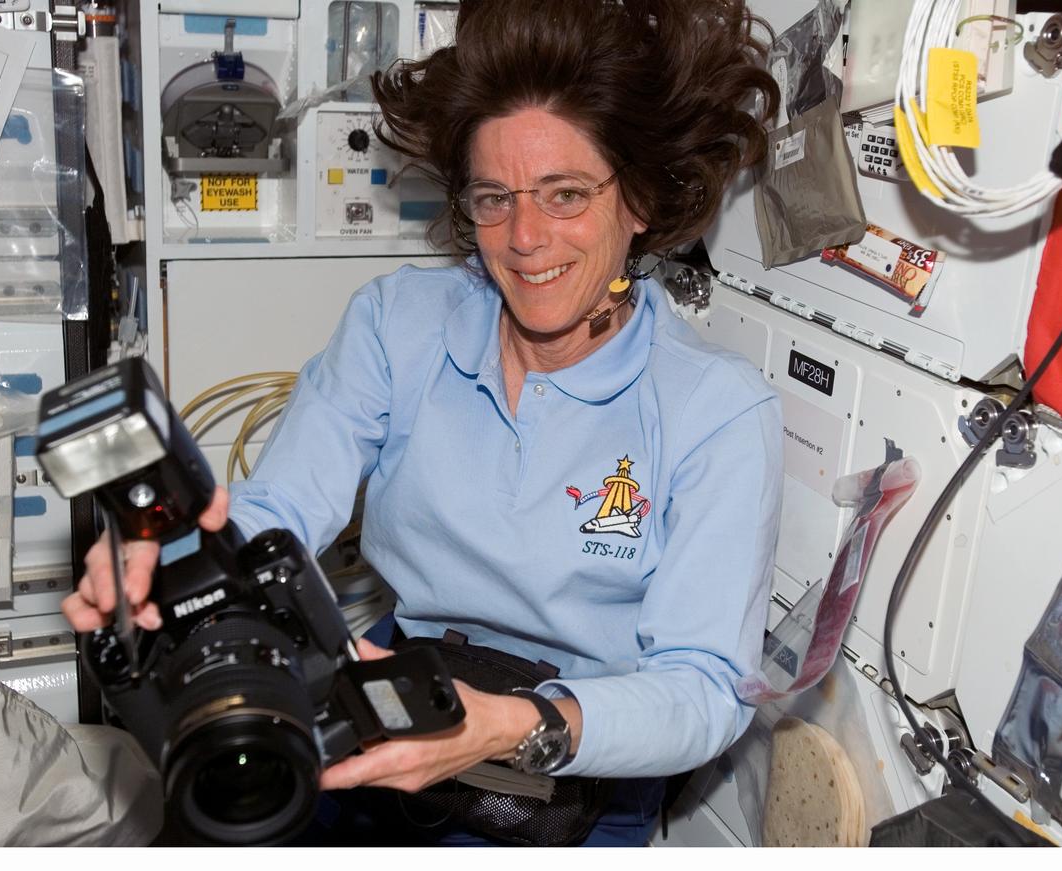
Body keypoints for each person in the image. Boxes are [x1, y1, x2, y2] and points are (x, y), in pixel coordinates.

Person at [64, 0, 782, 846]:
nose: (524, 236)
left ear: (639, 201)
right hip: (398, 695)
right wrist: (173, 554)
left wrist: (515, 726)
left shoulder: (716, 411)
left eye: (565, 194)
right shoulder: (397, 324)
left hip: (576, 758)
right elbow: (280, 509)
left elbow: (704, 689)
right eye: (494, 197)